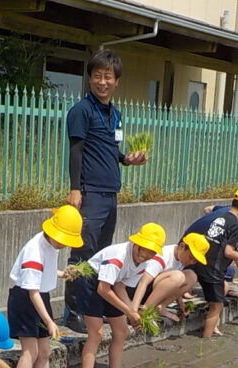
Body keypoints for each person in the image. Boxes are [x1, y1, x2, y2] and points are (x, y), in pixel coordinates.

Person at [64, 49, 147, 330]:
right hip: (90, 193)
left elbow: (112, 150)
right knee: (82, 252)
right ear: (89, 78)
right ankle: (73, 311)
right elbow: (76, 151)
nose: (102, 82)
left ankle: (91, 308)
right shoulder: (81, 111)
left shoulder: (115, 114)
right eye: (97, 76)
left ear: (116, 81)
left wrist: (127, 159)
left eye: (108, 77)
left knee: (101, 255)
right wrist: (75, 189)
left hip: (110, 194)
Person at [8, 205, 82, 368]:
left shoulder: (50, 243)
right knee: (30, 351)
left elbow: (43, 271)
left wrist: (61, 274)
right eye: (63, 240)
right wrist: (49, 321)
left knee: (45, 351)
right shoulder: (34, 251)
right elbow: (32, 291)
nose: (64, 244)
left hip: (41, 296)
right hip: (25, 298)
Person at [74, 224, 162, 368]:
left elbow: (120, 286)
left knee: (122, 332)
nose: (145, 255)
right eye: (143, 249)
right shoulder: (118, 256)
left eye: (151, 252)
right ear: (136, 244)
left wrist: (133, 313)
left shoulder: (144, 264)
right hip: (91, 282)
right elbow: (103, 289)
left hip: (113, 283)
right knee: (96, 334)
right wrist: (129, 312)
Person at [183, 188, 238, 338]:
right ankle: (206, 339)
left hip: (200, 262)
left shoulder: (221, 217)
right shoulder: (237, 225)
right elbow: (228, 252)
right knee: (216, 306)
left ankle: (210, 332)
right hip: (214, 270)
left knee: (217, 298)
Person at [127, 233, 209, 321]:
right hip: (138, 291)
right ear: (182, 246)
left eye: (195, 260)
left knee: (192, 276)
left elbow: (176, 285)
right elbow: (143, 281)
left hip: (155, 292)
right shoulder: (165, 255)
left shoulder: (181, 260)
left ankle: (160, 307)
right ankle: (145, 310)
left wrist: (181, 304)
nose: (191, 262)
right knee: (178, 276)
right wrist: (134, 310)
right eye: (190, 257)